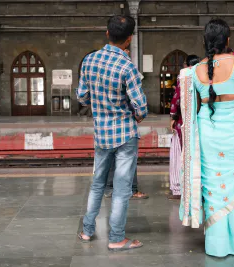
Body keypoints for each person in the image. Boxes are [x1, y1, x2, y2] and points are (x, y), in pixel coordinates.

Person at [179, 19, 234, 258]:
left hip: (209, 134)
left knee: (215, 189)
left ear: (205, 42)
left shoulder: (194, 71)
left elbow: (194, 106)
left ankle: (217, 245)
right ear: (228, 40)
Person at [77, 15, 148, 251]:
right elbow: (141, 107)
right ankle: (116, 238)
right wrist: (136, 114)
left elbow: (82, 96)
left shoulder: (89, 61)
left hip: (101, 134)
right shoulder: (127, 66)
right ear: (129, 39)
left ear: (107, 34)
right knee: (121, 188)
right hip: (126, 134)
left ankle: (88, 231)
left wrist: (98, 101)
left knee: (98, 184)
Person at [168, 55, 200, 200]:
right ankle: (197, 188)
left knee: (181, 155)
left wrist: (173, 117)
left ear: (186, 65)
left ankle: (179, 189)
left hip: (184, 122)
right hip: (200, 122)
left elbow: (176, 99)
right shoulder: (203, 76)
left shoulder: (184, 77)